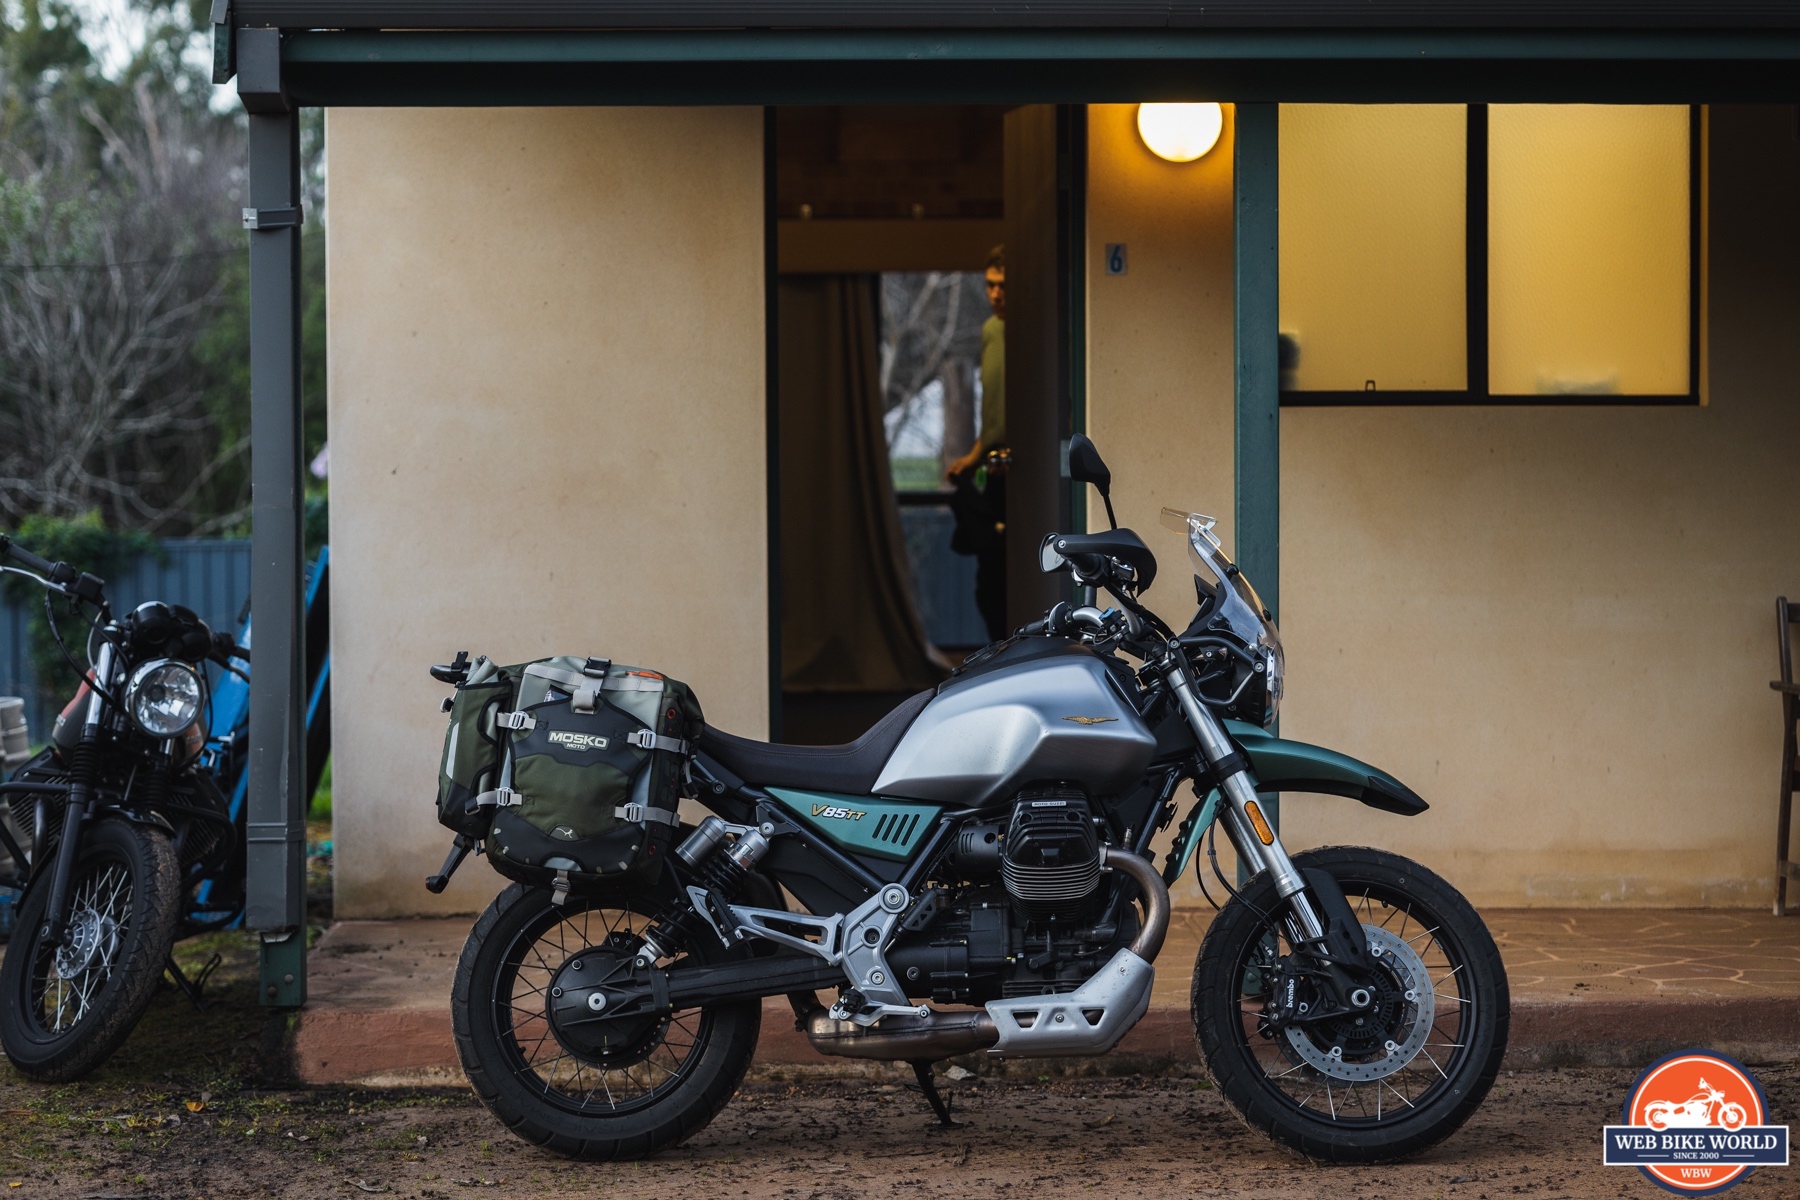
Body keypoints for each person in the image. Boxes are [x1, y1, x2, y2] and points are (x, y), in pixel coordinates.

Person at [948, 246, 1008, 642]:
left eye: (1003, 286)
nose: (995, 294)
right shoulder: (992, 330)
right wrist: (973, 456)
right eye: (989, 285)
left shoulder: (1027, 330)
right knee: (988, 581)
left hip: (1011, 470)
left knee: (999, 580)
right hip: (991, 464)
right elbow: (994, 410)